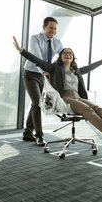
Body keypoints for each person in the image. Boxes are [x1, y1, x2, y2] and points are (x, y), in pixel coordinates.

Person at [13, 37, 102, 141]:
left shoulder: (77, 71)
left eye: (70, 53)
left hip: (78, 97)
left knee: (96, 107)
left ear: (73, 57)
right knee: (88, 110)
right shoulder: (54, 68)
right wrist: (21, 50)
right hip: (64, 98)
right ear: (60, 56)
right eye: (65, 53)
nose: (68, 54)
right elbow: (36, 60)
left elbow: (89, 67)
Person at [22, 17, 63, 146]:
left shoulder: (57, 42)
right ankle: (39, 135)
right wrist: (43, 71)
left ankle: (27, 132)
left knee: (36, 103)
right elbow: (37, 58)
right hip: (31, 74)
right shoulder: (35, 38)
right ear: (44, 27)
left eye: (55, 29)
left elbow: (63, 57)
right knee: (37, 102)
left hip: (43, 76)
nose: (53, 31)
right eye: (51, 28)